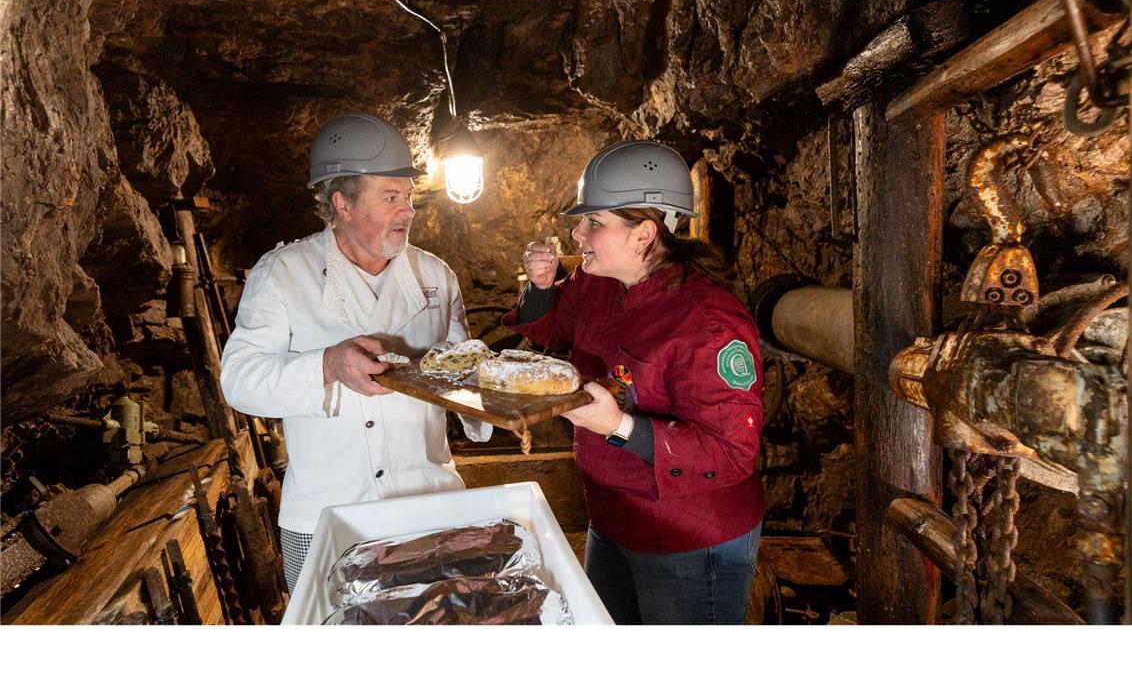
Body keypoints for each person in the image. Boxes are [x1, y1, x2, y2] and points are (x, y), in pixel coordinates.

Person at [220, 112, 489, 592]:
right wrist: (326, 364)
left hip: (428, 502)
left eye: (408, 196)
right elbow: (239, 380)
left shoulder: (436, 276)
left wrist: (484, 378)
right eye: (390, 198)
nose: (408, 211)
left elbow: (462, 373)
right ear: (342, 203)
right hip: (328, 513)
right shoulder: (283, 273)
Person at [504, 140, 765, 624]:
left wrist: (621, 426)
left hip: (687, 537)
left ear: (644, 234)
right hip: (610, 519)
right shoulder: (597, 281)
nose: (578, 233)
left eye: (594, 223)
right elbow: (553, 329)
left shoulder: (708, 321)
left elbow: (732, 453)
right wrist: (541, 288)